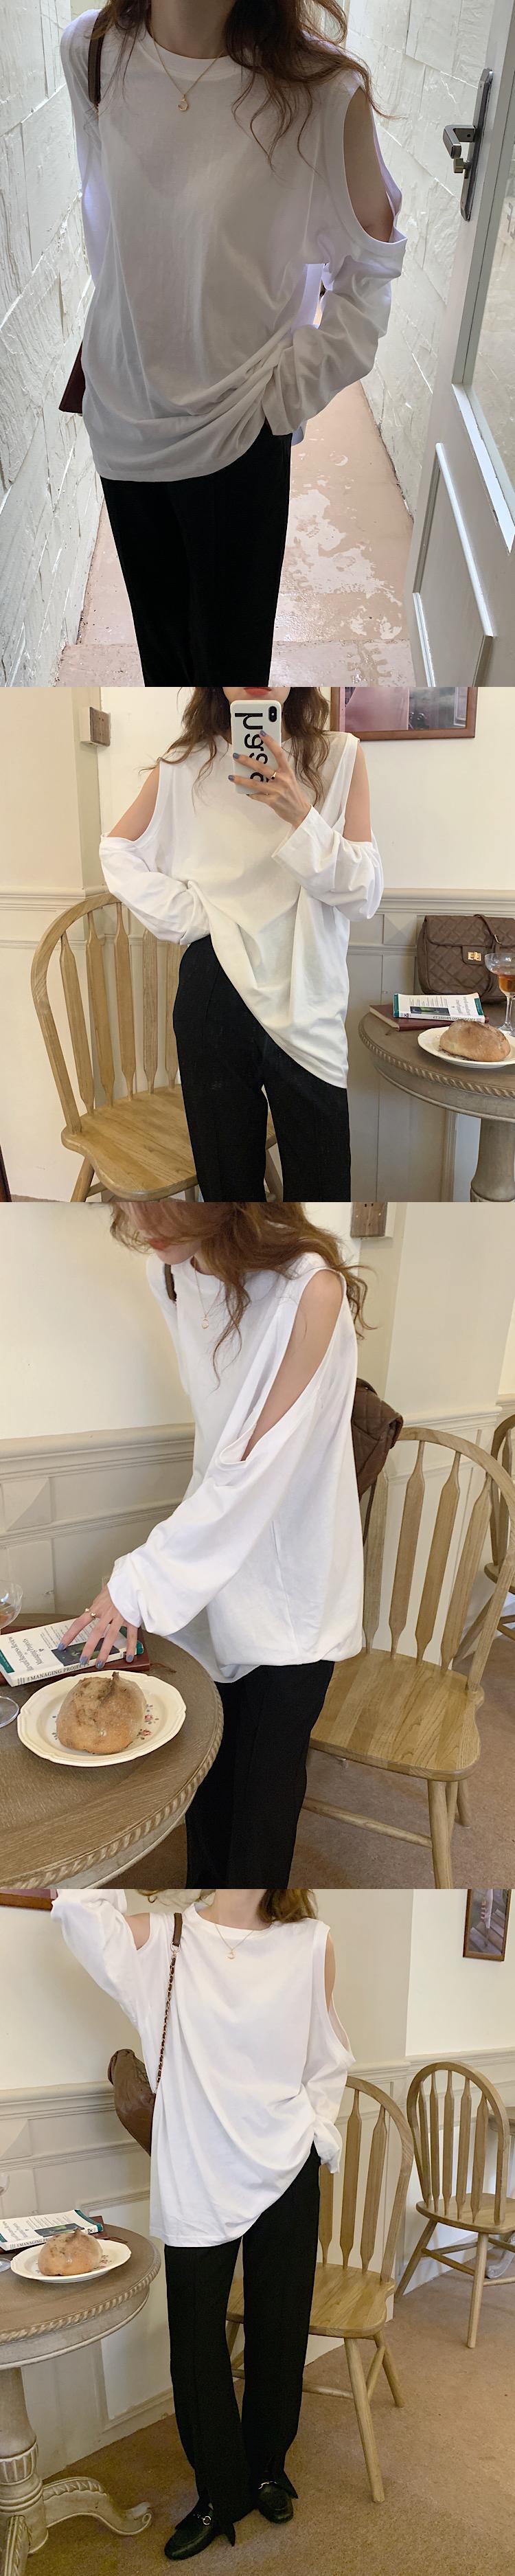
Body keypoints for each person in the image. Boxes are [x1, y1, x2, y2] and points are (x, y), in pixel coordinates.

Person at [60, 1, 405, 680]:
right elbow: (113, 228)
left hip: (240, 429)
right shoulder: (91, 53)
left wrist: (286, 397)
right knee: (164, 664)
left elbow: (370, 265)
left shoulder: (322, 92)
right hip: (121, 420)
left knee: (234, 670)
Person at [61, 1199, 365, 1882]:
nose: (142, 1222)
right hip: (211, 1572)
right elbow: (218, 1449)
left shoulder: (310, 1292)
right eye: (125, 1197)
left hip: (293, 1586)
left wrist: (141, 1580)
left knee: (260, 1818)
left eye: (162, 1199)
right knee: (205, 1783)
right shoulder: (169, 1271)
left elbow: (254, 1470)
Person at [51, 1884, 352, 2559]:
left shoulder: (312, 1943)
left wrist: (317, 2131)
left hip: (287, 2163)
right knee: (194, 2339)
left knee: (280, 2326)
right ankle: (219, 2490)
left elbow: (325, 2056)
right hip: (195, 2168)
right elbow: (75, 1907)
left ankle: (267, 2467)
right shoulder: (165, 1937)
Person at [100, 686, 382, 1196]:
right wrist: (195, 916)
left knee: (323, 1192)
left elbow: (363, 896)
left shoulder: (341, 755)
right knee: (227, 1193)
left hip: (308, 993)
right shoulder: (185, 767)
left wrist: (301, 813)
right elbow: (117, 851)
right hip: (215, 986)